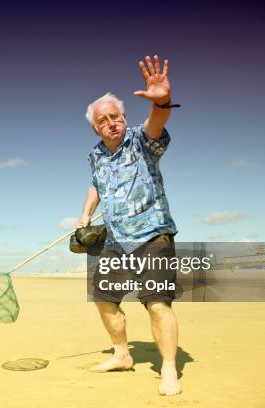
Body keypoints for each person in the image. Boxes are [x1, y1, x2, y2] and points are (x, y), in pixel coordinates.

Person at [77, 55, 181, 396]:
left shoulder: (140, 139)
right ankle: (122, 355)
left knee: (157, 302)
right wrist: (85, 216)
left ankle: (167, 368)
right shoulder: (95, 154)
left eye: (116, 116)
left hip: (152, 234)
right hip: (115, 238)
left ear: (124, 118)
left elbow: (157, 122)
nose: (111, 123)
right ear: (95, 128)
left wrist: (161, 101)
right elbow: (96, 184)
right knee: (104, 297)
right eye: (103, 120)